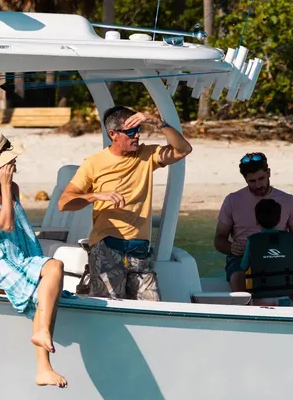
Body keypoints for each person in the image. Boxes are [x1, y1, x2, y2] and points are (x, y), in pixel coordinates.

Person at [0, 132, 67, 388]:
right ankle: (43, 363)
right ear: (0, 165)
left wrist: (8, 188)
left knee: (55, 266)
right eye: (12, 159)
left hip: (16, 257)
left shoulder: (13, 189)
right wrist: (6, 187)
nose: (16, 164)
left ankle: (42, 349)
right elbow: (6, 224)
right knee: (41, 288)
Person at [58, 106, 192, 300]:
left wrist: (157, 122)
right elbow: (64, 202)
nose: (136, 135)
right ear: (113, 134)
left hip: (139, 250)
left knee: (151, 309)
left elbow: (183, 149)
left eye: (138, 130)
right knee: (108, 308)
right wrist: (96, 196)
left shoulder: (147, 154)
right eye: (130, 131)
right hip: (107, 247)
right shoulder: (93, 163)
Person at [214, 152, 293, 306]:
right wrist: (230, 247)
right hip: (242, 258)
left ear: (268, 173)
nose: (258, 185)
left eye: (261, 179)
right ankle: (248, 325)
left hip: (280, 257)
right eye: (252, 181)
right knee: (240, 286)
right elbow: (219, 239)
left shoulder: (288, 201)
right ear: (245, 179)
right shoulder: (232, 200)